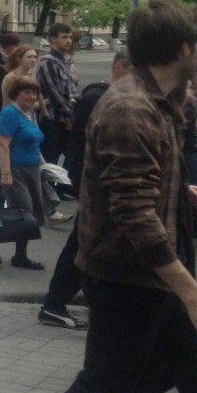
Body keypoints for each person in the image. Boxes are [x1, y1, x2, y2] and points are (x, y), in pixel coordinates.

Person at [0, 0, 197, 393]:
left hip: (154, 274)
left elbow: (137, 184)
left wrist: (181, 191)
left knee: (183, 378)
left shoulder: (166, 102)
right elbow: (132, 213)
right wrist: (191, 291)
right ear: (182, 48)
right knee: (97, 392)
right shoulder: (131, 108)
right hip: (130, 278)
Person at [38, 50, 131, 330]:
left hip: (98, 183)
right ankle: (55, 303)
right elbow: (85, 146)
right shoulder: (99, 97)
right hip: (96, 184)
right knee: (83, 244)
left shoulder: (106, 96)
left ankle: (62, 302)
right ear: (119, 68)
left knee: (87, 243)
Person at [0, 76, 52, 270]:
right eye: (26, 92)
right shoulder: (10, 113)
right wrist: (6, 175)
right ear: (16, 94)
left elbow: (34, 142)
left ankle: (20, 256)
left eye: (34, 93)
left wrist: (45, 166)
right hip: (15, 170)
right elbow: (3, 144)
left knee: (30, 217)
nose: (31, 96)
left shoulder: (30, 113)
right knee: (24, 214)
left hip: (32, 170)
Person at [36, 22, 79, 165]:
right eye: (64, 37)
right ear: (53, 39)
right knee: (49, 161)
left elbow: (71, 92)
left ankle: (59, 187)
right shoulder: (48, 62)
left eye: (70, 37)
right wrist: (73, 116)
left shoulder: (63, 61)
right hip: (52, 121)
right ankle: (44, 187)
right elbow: (56, 96)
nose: (69, 41)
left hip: (64, 120)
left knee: (73, 157)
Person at [0, 31, 20, 111]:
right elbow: (2, 78)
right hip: (2, 96)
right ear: (8, 46)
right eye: (15, 45)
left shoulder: (15, 58)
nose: (17, 48)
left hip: (14, 96)